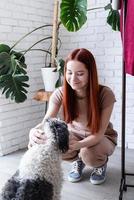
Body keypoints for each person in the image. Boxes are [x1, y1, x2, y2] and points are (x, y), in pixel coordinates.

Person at [28, 48, 117, 185]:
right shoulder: (60, 93)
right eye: (69, 73)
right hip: (74, 135)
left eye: (80, 74)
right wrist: (33, 131)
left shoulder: (105, 94)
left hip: (101, 138)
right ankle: (77, 161)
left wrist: (79, 145)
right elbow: (47, 121)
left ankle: (99, 165)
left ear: (90, 73)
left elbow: (99, 134)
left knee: (89, 153)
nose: (73, 79)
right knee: (52, 141)